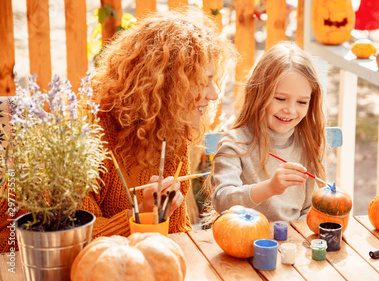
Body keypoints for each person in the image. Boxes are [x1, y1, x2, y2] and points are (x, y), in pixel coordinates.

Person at [0, 9, 234, 252]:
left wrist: (164, 213)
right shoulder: (88, 137)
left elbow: (174, 235)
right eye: (203, 80)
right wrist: (142, 214)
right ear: (166, 83)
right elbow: (74, 240)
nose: (214, 94)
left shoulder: (173, 134)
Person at [208, 41, 327, 222]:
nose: (290, 110)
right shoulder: (236, 143)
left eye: (302, 102)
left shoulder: (308, 143)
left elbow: (309, 209)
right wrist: (270, 188)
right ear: (259, 93)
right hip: (244, 240)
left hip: (292, 242)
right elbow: (223, 200)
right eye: (280, 98)